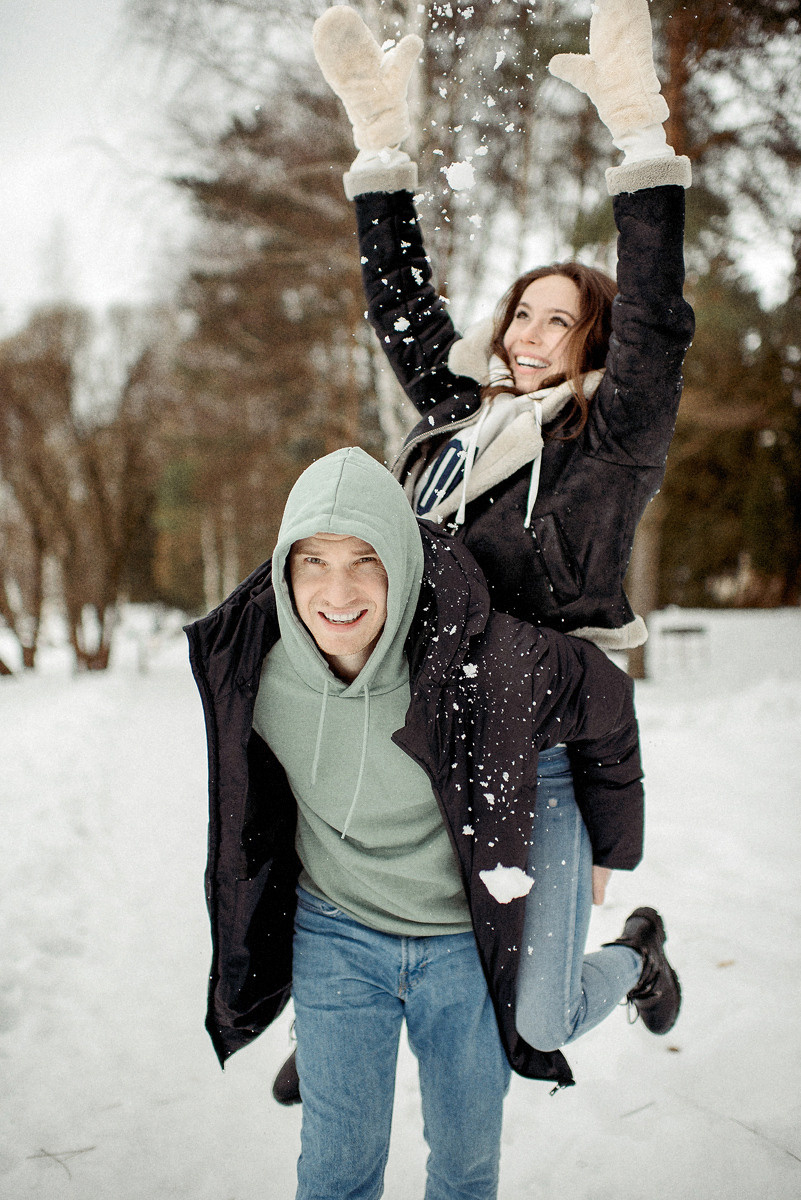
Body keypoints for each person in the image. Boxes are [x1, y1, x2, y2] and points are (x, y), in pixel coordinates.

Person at [271, 0, 692, 1103]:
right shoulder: (458, 423)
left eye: (560, 321)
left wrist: (642, 139)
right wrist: (379, 143)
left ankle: (635, 959)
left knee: (541, 1011)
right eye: (522, 314)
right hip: (414, 730)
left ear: (592, 345)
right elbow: (403, 308)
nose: (526, 334)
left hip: (535, 756)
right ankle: (335, 1017)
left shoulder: (609, 445)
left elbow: (655, 317)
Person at [186, 446, 680, 1200]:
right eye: (311, 561)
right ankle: (332, 1048)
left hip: (463, 941)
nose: (337, 590)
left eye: (365, 560)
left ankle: (637, 960)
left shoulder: (490, 661)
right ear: (283, 567)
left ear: (404, 562)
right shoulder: (251, 668)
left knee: (463, 1166)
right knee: (336, 1171)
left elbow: (608, 704)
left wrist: (613, 843)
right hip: (338, 930)